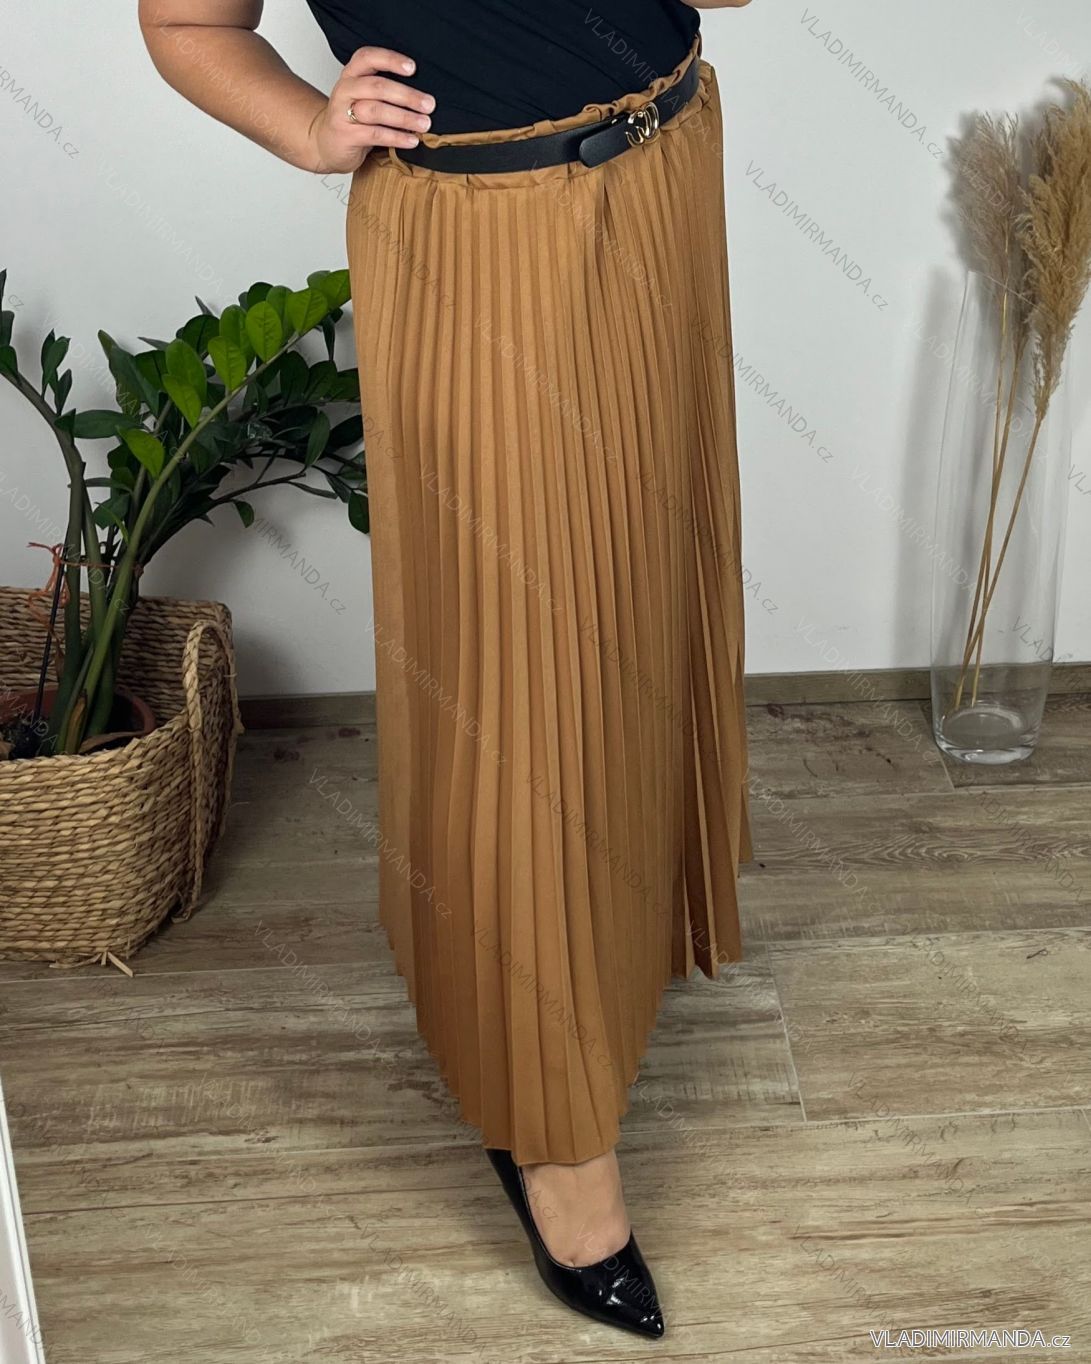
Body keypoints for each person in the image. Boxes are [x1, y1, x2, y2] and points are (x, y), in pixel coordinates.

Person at [139, 0, 754, 1339]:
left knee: (646, 590)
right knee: (512, 673)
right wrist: (308, 128)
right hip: (476, 231)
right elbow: (185, 21)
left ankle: (618, 950)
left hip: (666, 165)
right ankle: (552, 1127)